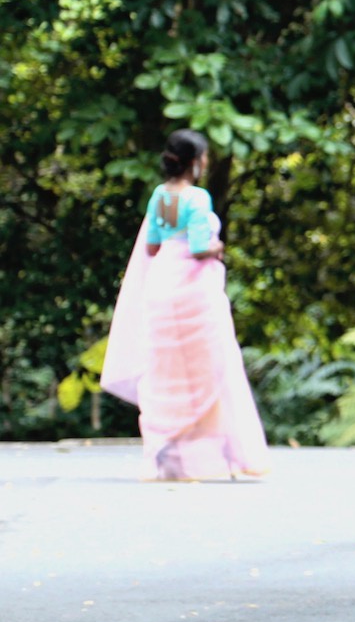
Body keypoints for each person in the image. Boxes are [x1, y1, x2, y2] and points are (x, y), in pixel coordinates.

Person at [101, 130, 271, 481]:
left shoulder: (159, 196)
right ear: (196, 162)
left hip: (162, 283)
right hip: (193, 289)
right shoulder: (197, 197)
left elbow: (151, 248)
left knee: (166, 370)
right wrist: (217, 247)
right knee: (210, 366)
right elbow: (197, 248)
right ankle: (220, 455)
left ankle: (170, 455)